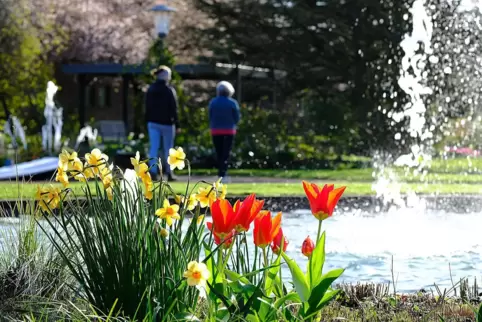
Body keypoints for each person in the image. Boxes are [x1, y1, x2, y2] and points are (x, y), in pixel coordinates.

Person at [145, 65, 180, 181]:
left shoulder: (151, 89)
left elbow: (147, 107)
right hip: (167, 124)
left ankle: (153, 172)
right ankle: (169, 172)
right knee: (168, 149)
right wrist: (177, 124)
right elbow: (174, 108)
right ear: (166, 76)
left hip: (153, 122)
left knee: (154, 148)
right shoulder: (169, 90)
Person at [208, 81, 240, 181]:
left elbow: (210, 116)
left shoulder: (213, 102)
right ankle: (223, 172)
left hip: (216, 131)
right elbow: (237, 118)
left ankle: (220, 172)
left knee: (219, 152)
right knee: (226, 153)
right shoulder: (232, 103)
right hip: (229, 131)